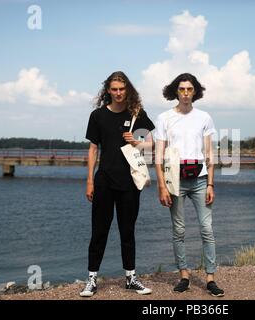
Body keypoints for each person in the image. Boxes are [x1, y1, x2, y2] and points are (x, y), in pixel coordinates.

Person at [80, 71, 155, 297]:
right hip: (103, 182)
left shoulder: (137, 115)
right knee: (99, 231)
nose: (119, 93)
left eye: (122, 89)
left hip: (130, 182)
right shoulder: (98, 116)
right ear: (108, 91)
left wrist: (136, 141)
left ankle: (131, 278)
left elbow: (150, 144)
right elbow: (93, 149)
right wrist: (89, 181)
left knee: (127, 231)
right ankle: (92, 279)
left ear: (128, 90)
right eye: (114, 89)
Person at [154, 73, 225, 297]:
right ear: (176, 91)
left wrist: (211, 183)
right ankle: (184, 275)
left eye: (190, 89)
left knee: (207, 229)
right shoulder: (164, 118)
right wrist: (161, 186)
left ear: (195, 92)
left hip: (200, 179)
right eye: (182, 89)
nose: (185, 93)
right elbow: (159, 154)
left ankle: (211, 278)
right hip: (174, 180)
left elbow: (209, 153)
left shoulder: (204, 117)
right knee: (179, 230)